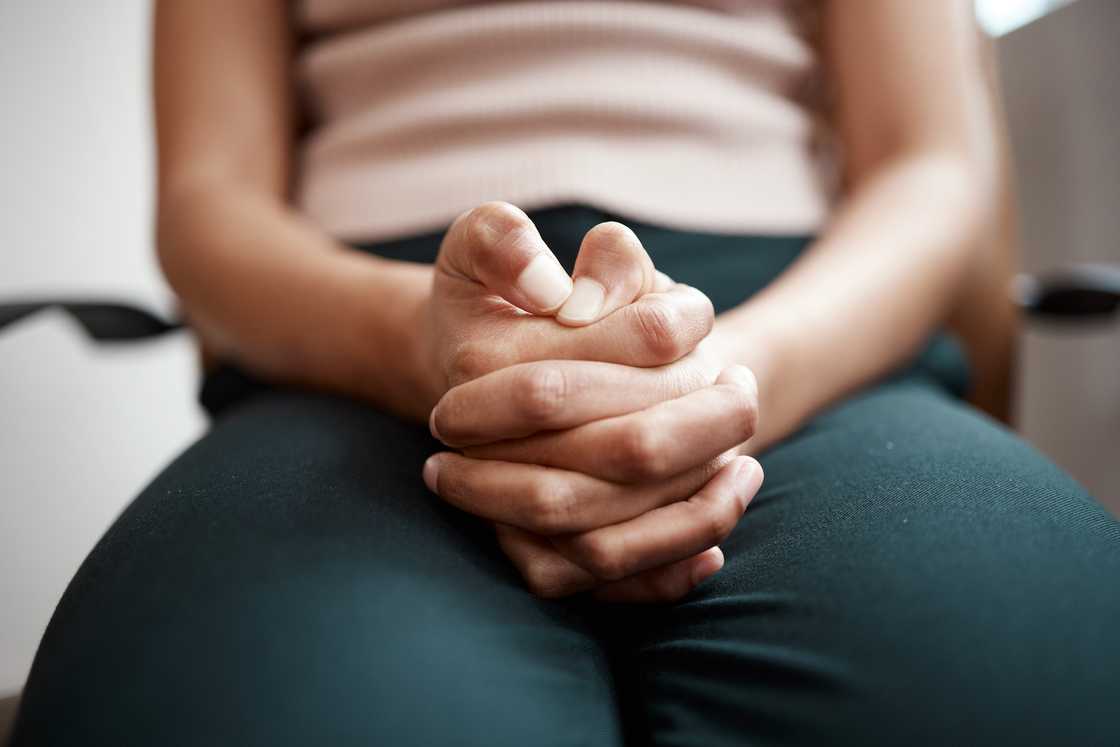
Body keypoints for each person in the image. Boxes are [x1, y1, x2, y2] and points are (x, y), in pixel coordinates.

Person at [13, 1, 1120, 744]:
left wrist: (721, 376)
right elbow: (210, 200)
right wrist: (418, 345)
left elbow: (927, 161)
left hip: (799, 332)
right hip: (362, 342)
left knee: (1012, 676)